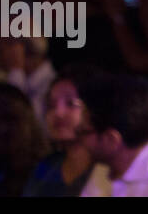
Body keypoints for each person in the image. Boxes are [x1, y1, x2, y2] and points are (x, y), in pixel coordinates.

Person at [24, 66, 97, 197]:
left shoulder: (108, 169)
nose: (58, 113)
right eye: (51, 105)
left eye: (70, 103)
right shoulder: (45, 168)